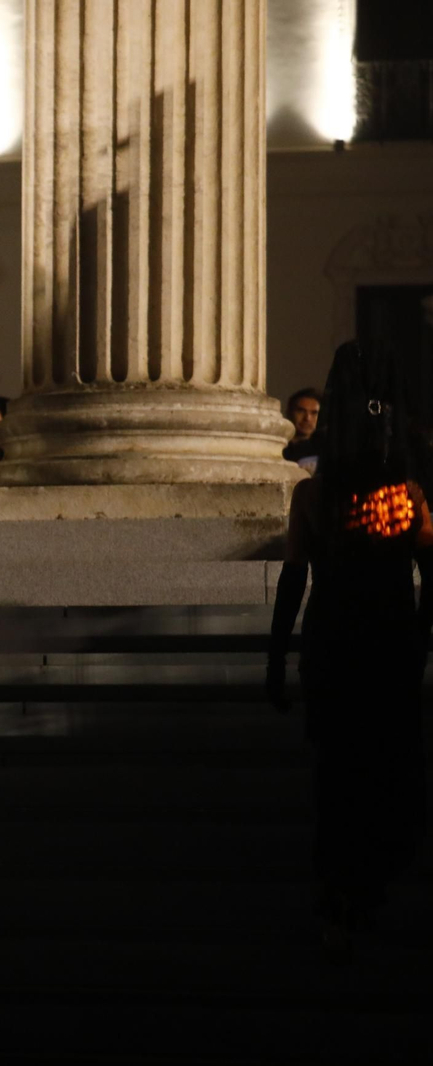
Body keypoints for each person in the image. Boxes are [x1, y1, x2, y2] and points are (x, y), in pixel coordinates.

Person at [268, 341, 432, 964]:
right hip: (388, 640)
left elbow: (293, 581)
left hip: (334, 642)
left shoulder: (314, 496)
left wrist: (275, 660)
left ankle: (339, 896)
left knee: (337, 774)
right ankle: (369, 891)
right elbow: (432, 574)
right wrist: (420, 632)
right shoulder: (407, 495)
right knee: (386, 768)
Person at [284, 387, 322, 464]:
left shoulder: (324, 450)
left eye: (314, 413)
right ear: (289, 412)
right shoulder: (278, 445)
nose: (307, 418)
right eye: (301, 411)